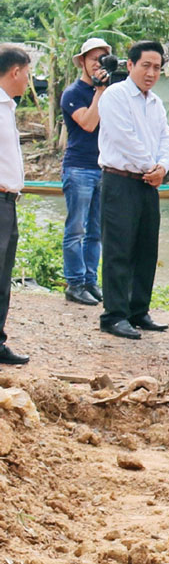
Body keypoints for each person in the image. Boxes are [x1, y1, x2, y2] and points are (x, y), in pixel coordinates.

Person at [96, 40, 169, 340]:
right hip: (120, 181)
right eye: (146, 66)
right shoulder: (115, 96)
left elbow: (166, 139)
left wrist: (163, 167)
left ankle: (138, 310)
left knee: (145, 248)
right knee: (118, 249)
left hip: (147, 183)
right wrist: (151, 167)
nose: (151, 73)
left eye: (156, 67)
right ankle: (114, 315)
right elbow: (124, 137)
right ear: (130, 65)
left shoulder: (156, 103)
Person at [60, 37, 112, 306]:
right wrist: (101, 90)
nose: (98, 65)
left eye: (102, 59)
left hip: (102, 167)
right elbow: (89, 124)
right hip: (78, 168)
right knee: (76, 229)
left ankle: (90, 281)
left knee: (96, 232)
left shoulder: (110, 91)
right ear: (82, 61)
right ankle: (75, 283)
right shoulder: (73, 93)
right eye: (93, 59)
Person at [0, 45, 32, 365]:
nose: (28, 80)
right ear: (15, 71)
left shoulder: (8, 106)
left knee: (2, 275)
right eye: (27, 73)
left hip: (8, 201)